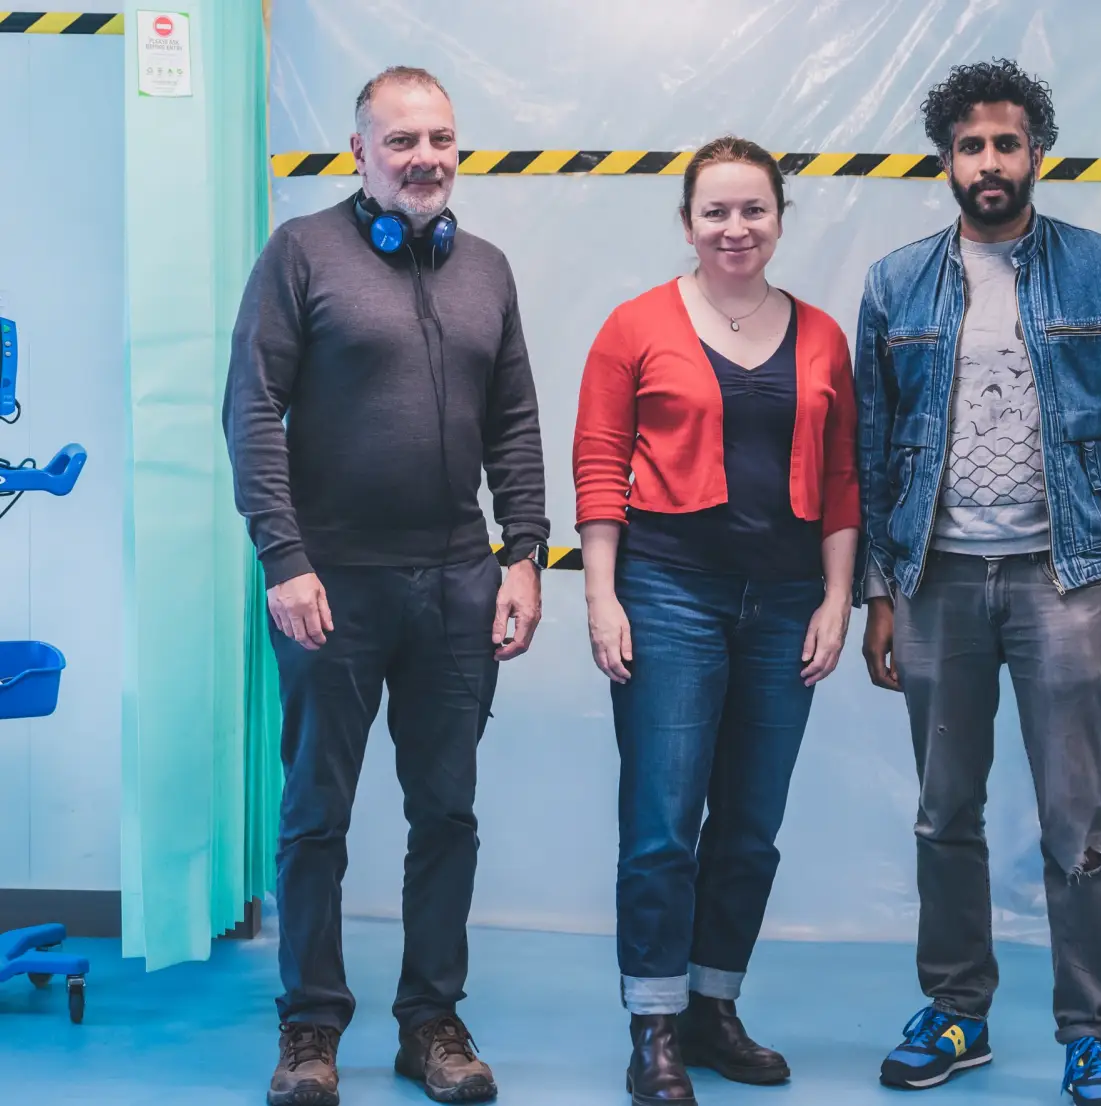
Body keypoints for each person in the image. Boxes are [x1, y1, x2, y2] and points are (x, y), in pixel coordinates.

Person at [854, 60, 1101, 1105]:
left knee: (1075, 822)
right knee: (942, 811)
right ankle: (956, 1010)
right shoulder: (894, 282)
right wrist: (878, 588)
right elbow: (870, 453)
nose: (989, 162)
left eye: (1006, 143)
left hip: (1067, 578)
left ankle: (1091, 1032)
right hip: (937, 582)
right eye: (970, 145)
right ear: (945, 159)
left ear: (1035, 153)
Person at [223, 66, 549, 1106]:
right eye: (400, 140)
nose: (425, 158)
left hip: (457, 583)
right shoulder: (300, 254)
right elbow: (251, 408)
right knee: (317, 811)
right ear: (357, 151)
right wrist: (284, 558)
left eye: (441, 139)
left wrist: (524, 552)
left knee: (445, 811)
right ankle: (310, 1025)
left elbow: (514, 423)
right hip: (333, 586)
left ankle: (430, 1023)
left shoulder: (487, 270)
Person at [572, 136, 860, 1105]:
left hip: (784, 603)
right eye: (715, 212)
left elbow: (840, 479)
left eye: (753, 210)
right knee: (660, 823)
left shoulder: (819, 335)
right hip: (667, 593)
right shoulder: (633, 326)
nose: (734, 228)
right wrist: (600, 592)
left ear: (779, 217)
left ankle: (711, 1006)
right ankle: (652, 1023)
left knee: (749, 827)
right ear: (687, 222)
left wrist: (834, 596)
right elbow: (599, 462)